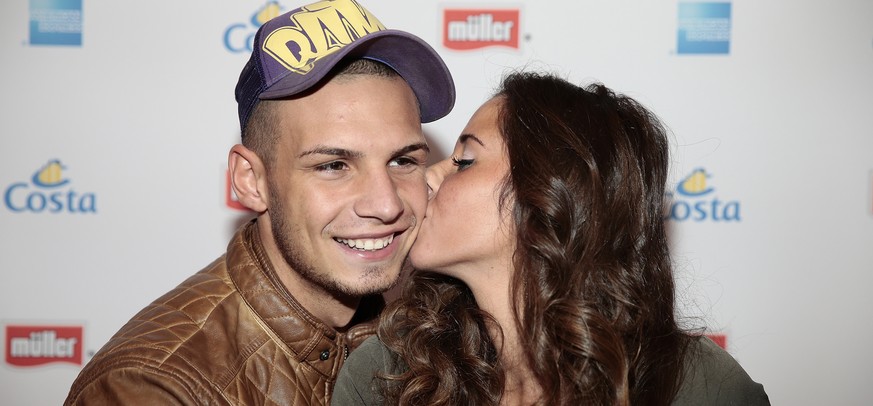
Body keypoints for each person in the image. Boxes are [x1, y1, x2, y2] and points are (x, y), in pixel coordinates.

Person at [64, 0, 454, 404]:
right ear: (251, 182)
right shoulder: (153, 389)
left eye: (403, 160)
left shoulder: (425, 322)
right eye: (334, 165)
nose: (386, 204)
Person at [332, 71, 769, 405]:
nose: (428, 177)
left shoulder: (697, 387)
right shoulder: (388, 375)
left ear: (549, 197)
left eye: (464, 161)